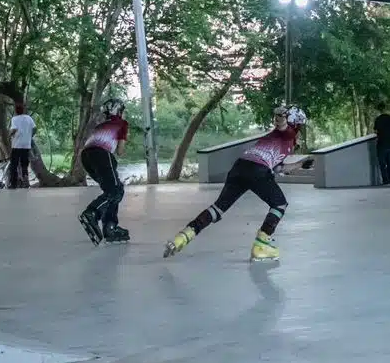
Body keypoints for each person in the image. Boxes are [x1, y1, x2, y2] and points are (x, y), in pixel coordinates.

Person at [165, 105, 309, 262]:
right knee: (279, 204)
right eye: (300, 126)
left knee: (218, 208)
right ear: (295, 124)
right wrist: (281, 114)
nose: (300, 131)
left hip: (240, 167)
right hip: (257, 169)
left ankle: (182, 237)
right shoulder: (288, 135)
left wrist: (301, 164)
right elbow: (282, 126)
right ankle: (261, 246)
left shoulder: (279, 141)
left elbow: (278, 168)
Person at [78, 98, 131, 244]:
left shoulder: (101, 125)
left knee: (114, 190)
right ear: (119, 111)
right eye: (123, 111)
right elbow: (120, 151)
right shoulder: (122, 124)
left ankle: (110, 227)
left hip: (86, 156)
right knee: (115, 191)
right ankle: (92, 213)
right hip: (101, 154)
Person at [7, 92, 36, 189]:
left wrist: (9, 136)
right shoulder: (29, 118)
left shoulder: (14, 119)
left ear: (16, 111)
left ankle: (13, 183)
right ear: (23, 110)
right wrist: (30, 136)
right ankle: (25, 179)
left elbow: (14, 129)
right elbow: (34, 128)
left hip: (17, 145)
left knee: (14, 165)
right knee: (24, 164)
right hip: (26, 145)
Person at [373, 106, 390, 186]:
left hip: (381, 144)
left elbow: (375, 130)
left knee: (382, 164)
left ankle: (386, 181)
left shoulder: (378, 119)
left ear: (379, 110)